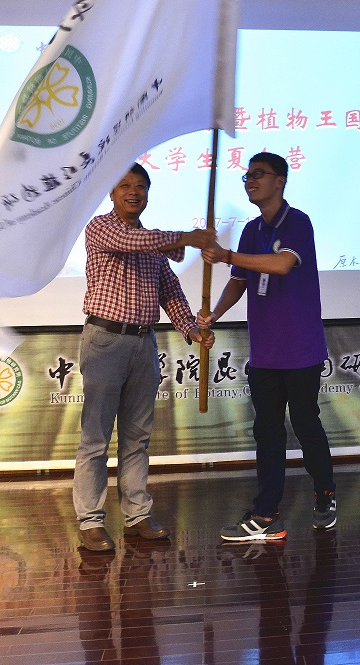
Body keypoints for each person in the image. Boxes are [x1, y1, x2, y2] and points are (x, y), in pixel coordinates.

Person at [74, 162, 214, 553]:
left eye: (140, 186)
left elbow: (170, 291)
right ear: (112, 193)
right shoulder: (101, 228)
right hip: (105, 340)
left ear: (148, 194)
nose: (133, 192)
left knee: (137, 437)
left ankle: (136, 515)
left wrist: (192, 329)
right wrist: (188, 237)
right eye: (124, 185)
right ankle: (90, 521)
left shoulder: (154, 246)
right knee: (96, 438)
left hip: (143, 344)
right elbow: (132, 241)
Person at [200, 152, 336, 542]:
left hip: (300, 349)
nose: (250, 181)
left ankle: (325, 494)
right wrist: (214, 314)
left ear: (281, 181)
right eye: (246, 176)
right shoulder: (250, 230)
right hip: (265, 353)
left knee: (306, 425)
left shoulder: (298, 222)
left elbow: (281, 264)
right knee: (267, 432)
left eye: (259, 174)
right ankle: (266, 515)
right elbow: (239, 281)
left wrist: (227, 255)